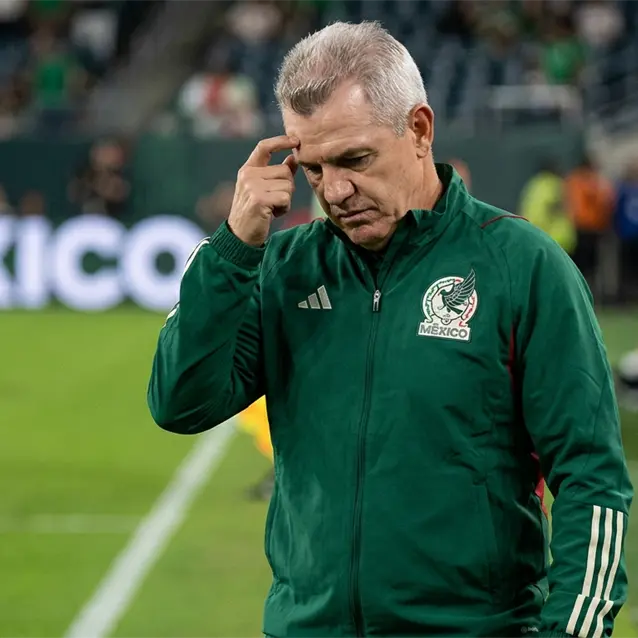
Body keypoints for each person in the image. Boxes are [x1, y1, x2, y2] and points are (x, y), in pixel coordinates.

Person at [147, 21, 633, 638]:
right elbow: (179, 403)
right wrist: (233, 250)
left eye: (355, 159)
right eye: (313, 169)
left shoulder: (522, 266)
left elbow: (591, 477)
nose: (336, 190)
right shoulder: (283, 270)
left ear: (420, 129)